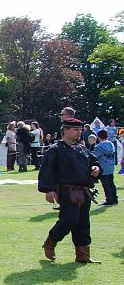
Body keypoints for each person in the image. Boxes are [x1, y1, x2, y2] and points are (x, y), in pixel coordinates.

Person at [38, 108, 101, 263]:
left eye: (80, 130)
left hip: (84, 191)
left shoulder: (82, 148)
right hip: (66, 190)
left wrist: (96, 168)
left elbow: (94, 161)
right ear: (65, 130)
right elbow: (47, 171)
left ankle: (82, 255)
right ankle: (51, 241)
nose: (79, 132)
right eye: (75, 130)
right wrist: (49, 190)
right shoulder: (55, 150)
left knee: (83, 222)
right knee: (69, 220)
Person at [93, 129, 118, 206]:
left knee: (106, 184)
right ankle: (114, 198)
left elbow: (94, 156)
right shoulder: (111, 144)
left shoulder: (99, 146)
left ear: (98, 137)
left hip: (103, 167)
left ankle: (109, 200)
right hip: (110, 166)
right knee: (111, 183)